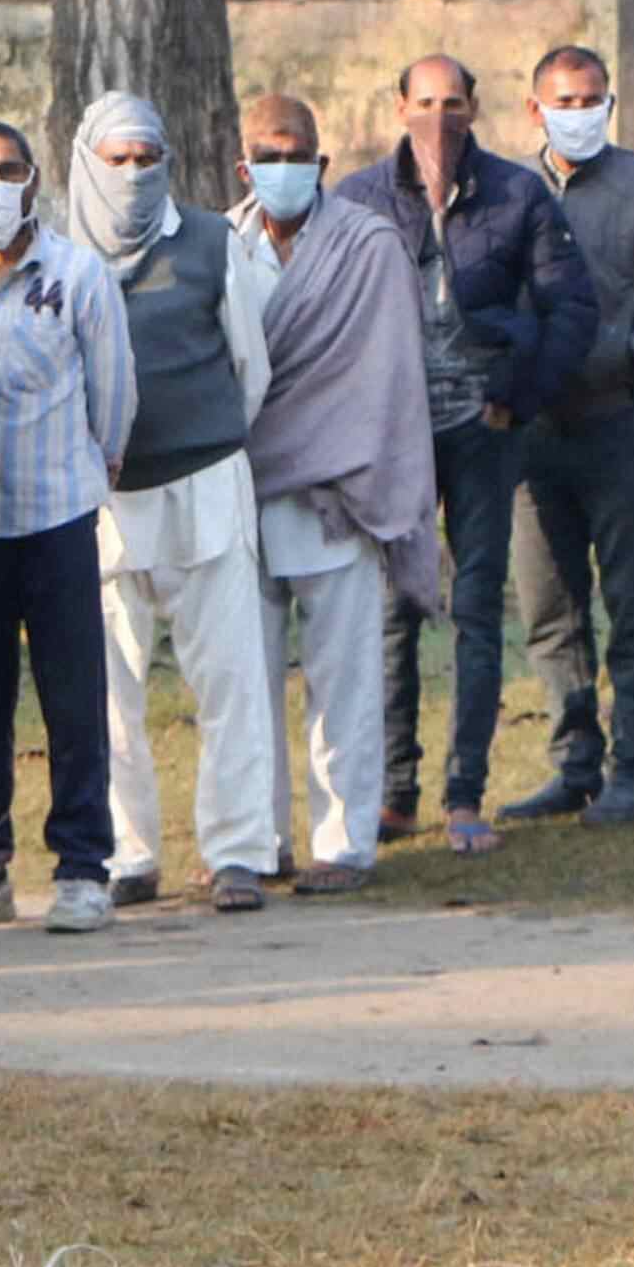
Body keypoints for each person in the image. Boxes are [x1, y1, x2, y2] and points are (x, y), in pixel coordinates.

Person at [331, 55, 591, 850]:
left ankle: (464, 795)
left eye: (452, 103)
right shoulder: (359, 199)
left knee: (477, 607)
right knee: (390, 612)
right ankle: (393, 789)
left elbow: (571, 308)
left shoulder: (517, 195)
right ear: (398, 106)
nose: (438, 117)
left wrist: (519, 394)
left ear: (475, 108)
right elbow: (329, 317)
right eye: (424, 102)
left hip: (484, 431)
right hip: (395, 441)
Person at [505, 44, 634, 829]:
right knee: (549, 609)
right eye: (563, 101)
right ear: (535, 110)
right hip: (533, 434)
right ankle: (573, 763)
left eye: (591, 99)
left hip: (626, 423)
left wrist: (631, 353)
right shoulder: (507, 192)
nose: (579, 112)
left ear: (611, 105)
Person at [81, 91, 283, 910]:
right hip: (103, 500)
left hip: (206, 484)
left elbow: (251, 369)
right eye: (116, 160)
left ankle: (238, 850)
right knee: (107, 687)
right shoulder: (62, 256)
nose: (133, 175)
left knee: (231, 677)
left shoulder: (209, 243)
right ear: (86, 164)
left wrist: (207, 440)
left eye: (147, 158)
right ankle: (129, 854)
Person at [237, 115, 443, 890]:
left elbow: (390, 376)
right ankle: (256, 844)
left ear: (322, 162)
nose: (283, 168)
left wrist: (363, 472)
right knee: (244, 686)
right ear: (241, 166)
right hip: (244, 497)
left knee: (346, 682)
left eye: (296, 157)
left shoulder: (369, 245)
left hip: (341, 493)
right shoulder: (220, 246)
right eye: (268, 157)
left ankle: (344, 844)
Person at [0, 114, 136, 921]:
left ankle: (83, 869)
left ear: (34, 182)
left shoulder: (79, 274)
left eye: (9, 171)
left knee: (74, 698)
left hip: (58, 516)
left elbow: (115, 394)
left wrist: (97, 467)